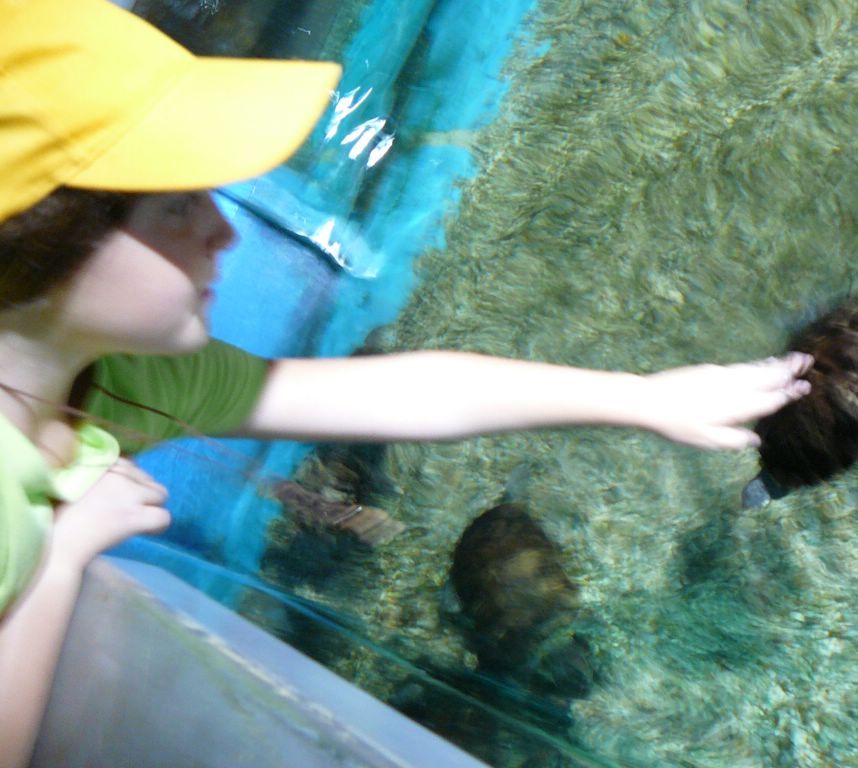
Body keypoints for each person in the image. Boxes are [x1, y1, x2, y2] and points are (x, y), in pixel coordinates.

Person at [0, 0, 812, 765]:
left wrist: (646, 398)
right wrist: (58, 558)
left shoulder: (127, 377)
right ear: (43, 244)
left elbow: (402, 394)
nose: (224, 230)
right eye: (176, 207)